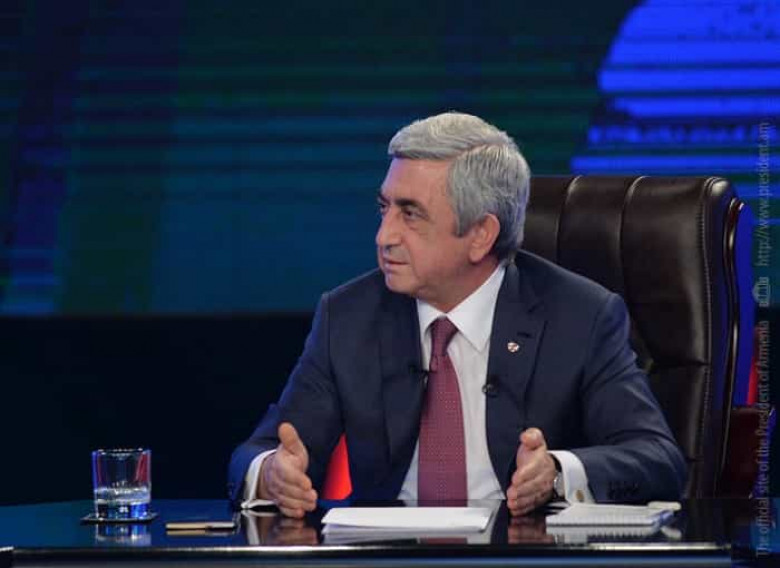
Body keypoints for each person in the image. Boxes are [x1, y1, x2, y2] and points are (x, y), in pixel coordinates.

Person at [228, 112, 687, 518]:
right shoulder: (348, 316)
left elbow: (657, 458)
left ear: (481, 235)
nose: (384, 236)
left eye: (411, 215)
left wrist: (556, 472)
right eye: (384, 208)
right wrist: (270, 474)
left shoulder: (580, 316)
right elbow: (262, 450)